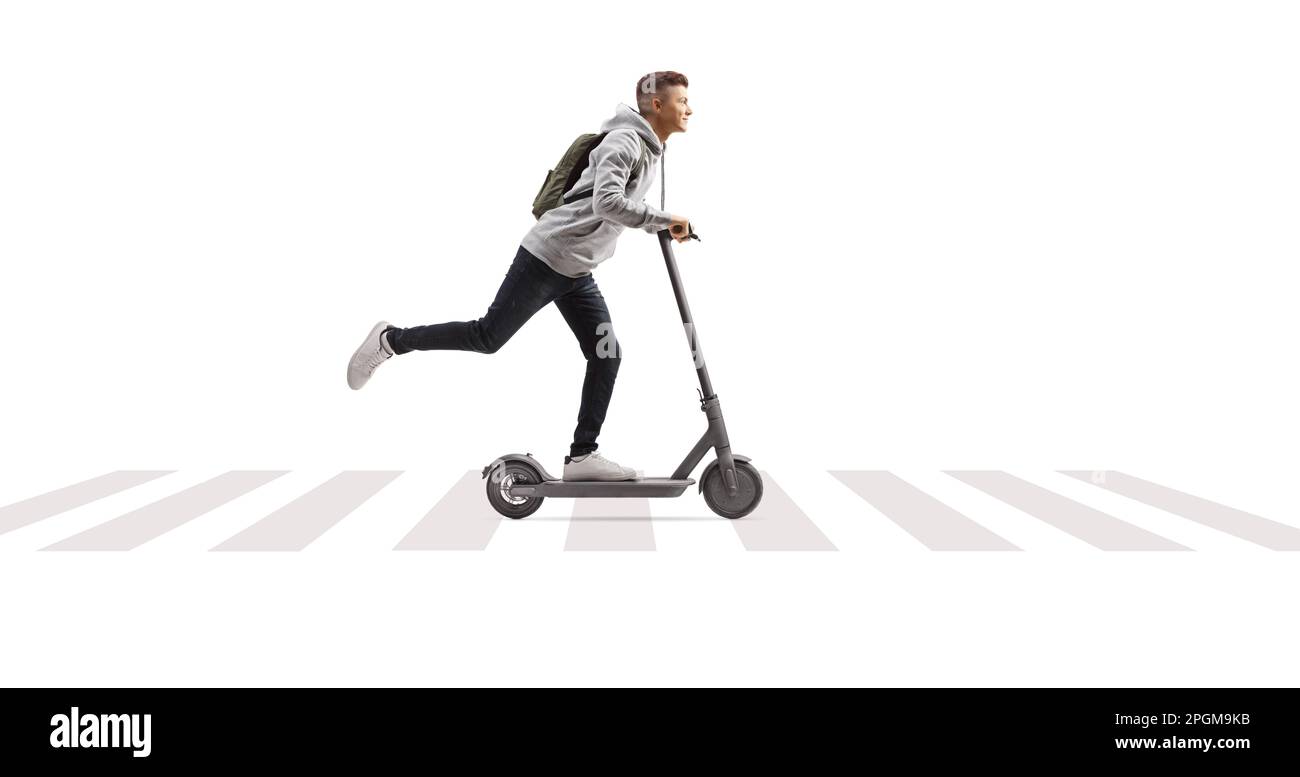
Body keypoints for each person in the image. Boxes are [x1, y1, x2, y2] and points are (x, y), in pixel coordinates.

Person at [347, 71, 694, 482]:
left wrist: (660, 224)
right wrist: (663, 218)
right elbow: (607, 203)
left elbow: (617, 203)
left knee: (607, 354)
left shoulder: (652, 150)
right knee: (486, 337)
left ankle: (583, 456)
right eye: (682, 101)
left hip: (578, 271)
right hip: (547, 257)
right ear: (657, 105)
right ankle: (392, 340)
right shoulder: (626, 142)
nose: (690, 108)